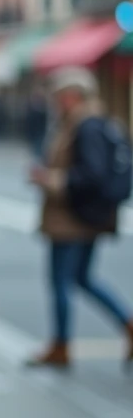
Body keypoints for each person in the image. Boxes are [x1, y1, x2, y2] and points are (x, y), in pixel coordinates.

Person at [27, 67, 133, 369]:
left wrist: (50, 179)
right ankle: (127, 325)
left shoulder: (84, 127)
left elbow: (90, 175)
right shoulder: (91, 123)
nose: (55, 101)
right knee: (82, 278)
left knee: (62, 280)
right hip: (84, 216)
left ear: (72, 96)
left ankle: (61, 345)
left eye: (59, 96)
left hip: (71, 218)